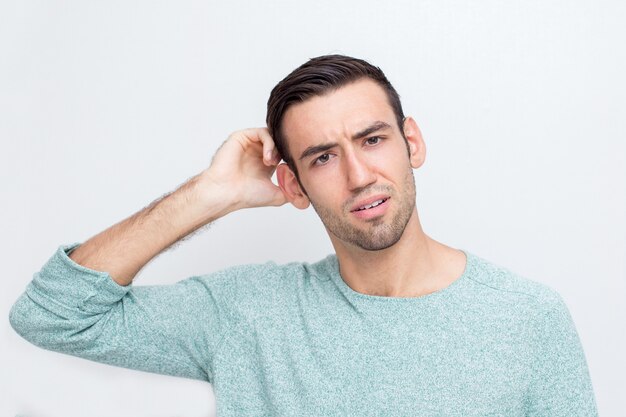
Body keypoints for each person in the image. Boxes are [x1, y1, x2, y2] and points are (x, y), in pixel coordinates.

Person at [9, 55, 597, 416]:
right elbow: (52, 315)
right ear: (292, 185)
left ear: (411, 143)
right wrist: (211, 193)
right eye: (322, 158)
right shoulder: (247, 315)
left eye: (372, 140)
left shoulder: (527, 318)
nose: (360, 175)